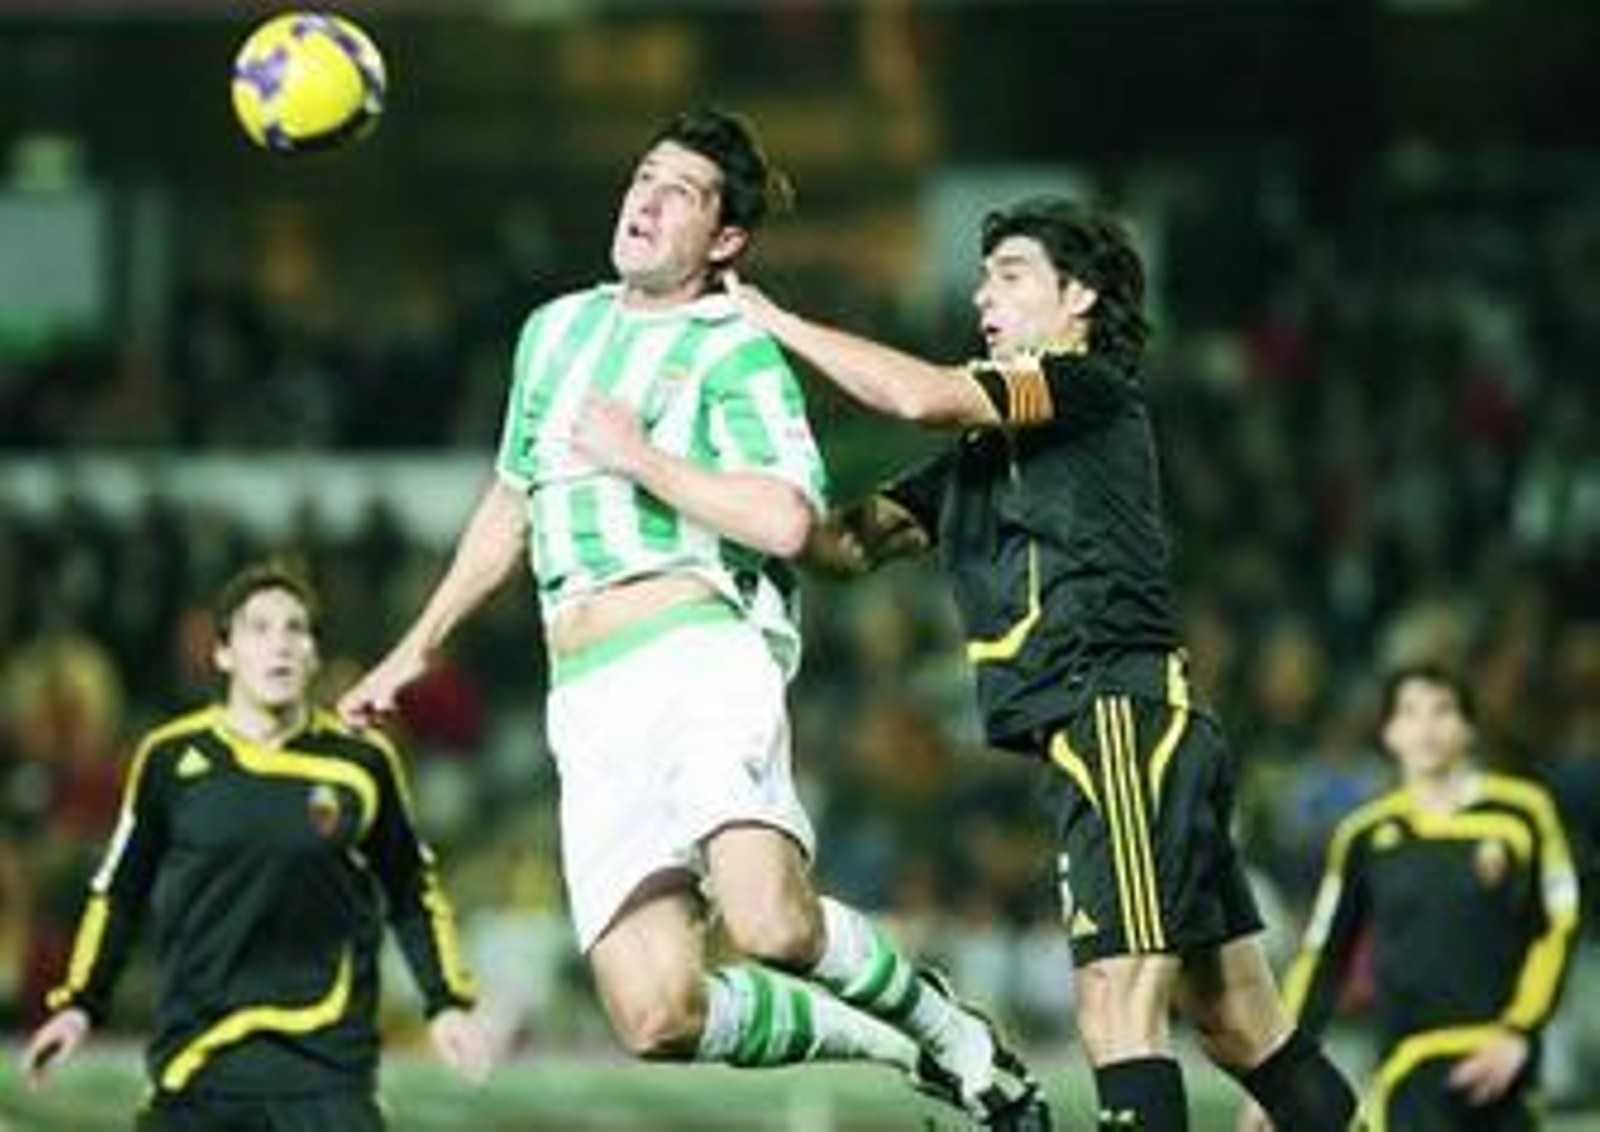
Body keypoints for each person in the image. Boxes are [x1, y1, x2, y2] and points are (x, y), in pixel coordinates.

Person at [337, 106, 1049, 1130]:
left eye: (681, 190)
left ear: (725, 241)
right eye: (643, 176)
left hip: (697, 654)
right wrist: (413, 649)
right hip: (583, 692)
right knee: (655, 1012)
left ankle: (949, 1031)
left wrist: (643, 459)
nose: (646, 196)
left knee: (767, 920)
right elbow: (513, 498)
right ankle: (891, 1039)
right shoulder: (554, 331)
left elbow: (785, 515)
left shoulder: (734, 350)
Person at [727, 195, 1360, 1131]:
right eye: (984, 276)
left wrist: (773, 323)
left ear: (1081, 300)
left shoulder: (1079, 384)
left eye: (1012, 273)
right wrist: (701, 489)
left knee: (1115, 995)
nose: (986, 292)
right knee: (1235, 1022)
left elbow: (921, 396)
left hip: (1118, 715)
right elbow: (843, 549)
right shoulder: (989, 454)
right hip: (1117, 726)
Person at [20, 560, 490, 1131]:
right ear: (223, 653)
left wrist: (446, 1004)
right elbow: (120, 891)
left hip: (326, 1072)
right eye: (259, 628)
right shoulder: (169, 760)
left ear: (315, 653)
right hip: (197, 1066)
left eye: (296, 629)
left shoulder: (361, 763)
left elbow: (412, 891)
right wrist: (78, 1006)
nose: (281, 645)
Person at [1254, 663, 1580, 1131]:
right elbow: (1323, 956)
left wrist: (1519, 1032)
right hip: (1406, 1067)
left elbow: (1557, 927)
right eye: (1409, 712)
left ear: (1468, 727)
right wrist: (1278, 1079)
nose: (1426, 727)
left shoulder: (1523, 813)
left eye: (1442, 710)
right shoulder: (1363, 835)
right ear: (1388, 732)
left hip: (1500, 1064)